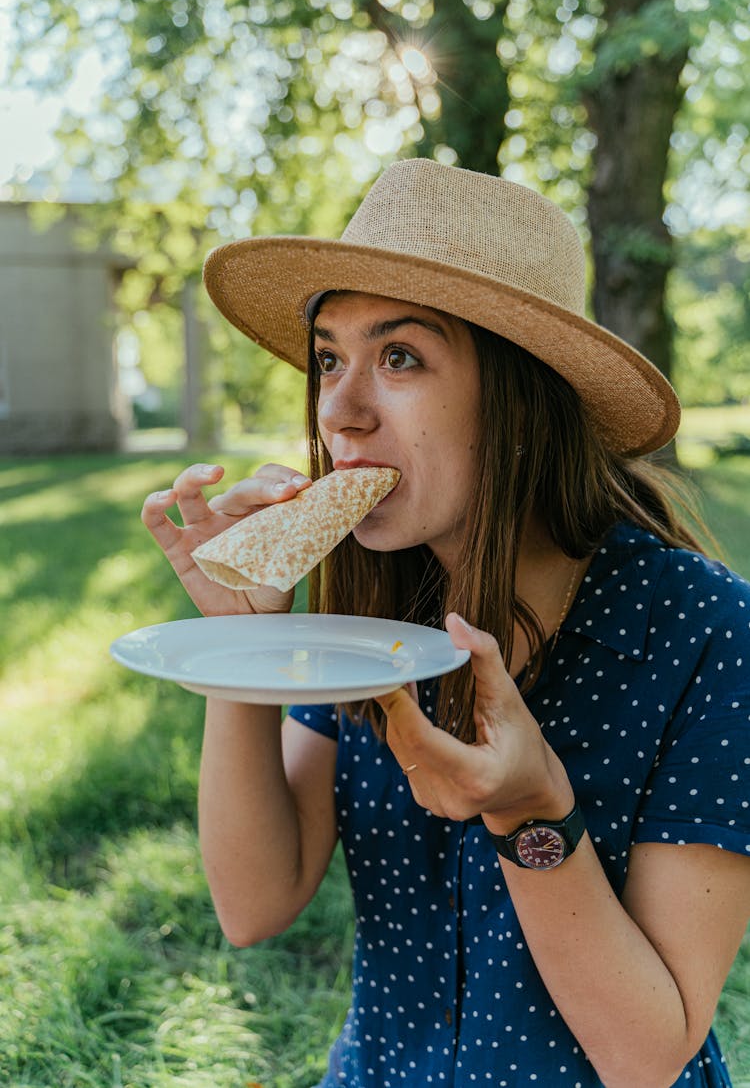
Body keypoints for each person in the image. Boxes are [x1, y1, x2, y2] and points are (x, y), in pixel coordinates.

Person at [142, 159, 750, 1088]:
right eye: (329, 359)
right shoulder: (367, 611)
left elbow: (645, 1053)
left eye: (399, 358)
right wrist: (245, 645)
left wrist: (528, 806)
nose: (339, 413)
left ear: (519, 401)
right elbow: (253, 902)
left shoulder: (701, 627)